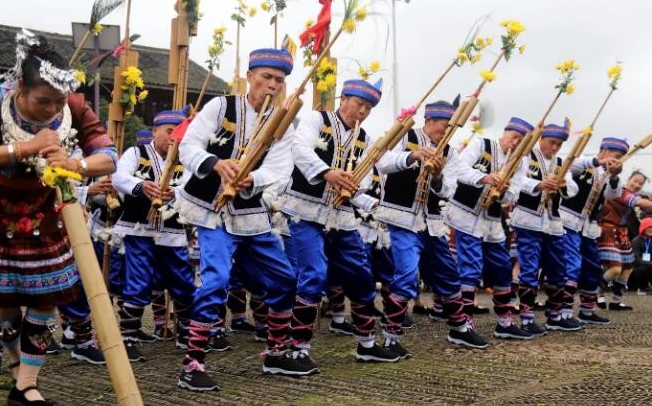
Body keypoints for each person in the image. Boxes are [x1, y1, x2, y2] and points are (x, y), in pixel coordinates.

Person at [0, 29, 116, 404]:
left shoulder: (72, 105)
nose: (53, 110)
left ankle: (27, 384)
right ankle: (14, 368)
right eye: (43, 101)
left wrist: (76, 163)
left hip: (47, 214)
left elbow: (110, 156)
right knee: (3, 301)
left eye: (59, 102)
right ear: (21, 89)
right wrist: (27, 147)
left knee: (47, 297)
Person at [177, 48, 300, 391]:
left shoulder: (283, 123)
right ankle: (192, 363)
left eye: (279, 80)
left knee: (285, 279)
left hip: (250, 214)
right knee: (216, 281)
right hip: (211, 210)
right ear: (250, 77)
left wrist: (253, 180)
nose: (272, 86)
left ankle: (276, 351)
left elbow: (279, 167)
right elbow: (189, 147)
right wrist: (216, 163)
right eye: (267, 78)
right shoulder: (221, 107)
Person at [281, 77, 400, 369]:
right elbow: (300, 150)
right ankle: (297, 349)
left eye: (369, 108)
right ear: (343, 99)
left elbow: (375, 171)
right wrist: (327, 173)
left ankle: (367, 344)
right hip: (304, 212)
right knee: (314, 273)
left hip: (342, 217)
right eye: (359, 104)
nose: (362, 111)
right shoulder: (315, 120)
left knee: (361, 274)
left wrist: (369, 199)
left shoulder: (364, 138)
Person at [375, 100, 486, 352]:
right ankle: (391, 337)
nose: (446, 133)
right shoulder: (406, 134)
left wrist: (436, 177)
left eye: (450, 128)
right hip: (402, 219)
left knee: (447, 271)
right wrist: (412, 156)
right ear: (430, 121)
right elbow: (382, 161)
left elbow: (450, 188)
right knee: (406, 273)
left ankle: (460, 328)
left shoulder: (448, 151)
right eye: (444, 127)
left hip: (432, 222)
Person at [112, 109, 197, 361]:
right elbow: (119, 177)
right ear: (155, 132)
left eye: (178, 133)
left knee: (183, 281)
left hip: (171, 231)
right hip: (139, 229)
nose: (173, 138)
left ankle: (185, 333)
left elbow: (191, 185)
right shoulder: (136, 153)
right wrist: (141, 186)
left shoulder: (185, 158)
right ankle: (128, 338)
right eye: (169, 132)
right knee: (138, 280)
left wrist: (176, 192)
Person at [445, 117, 535, 342]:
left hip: (492, 222)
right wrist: (483, 178)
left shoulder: (520, 163)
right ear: (505, 132)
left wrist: (503, 191)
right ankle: (463, 323)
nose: (515, 143)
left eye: (521, 141)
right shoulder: (482, 145)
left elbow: (515, 193)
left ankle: (504, 322)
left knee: (503, 268)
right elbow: (458, 169)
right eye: (514, 137)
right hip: (465, 216)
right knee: (471, 269)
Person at [512, 121, 581, 334]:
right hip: (527, 221)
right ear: (541, 139)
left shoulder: (561, 162)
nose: (555, 148)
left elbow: (573, 188)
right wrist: (538, 184)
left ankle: (555, 315)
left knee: (559, 270)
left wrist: (563, 185)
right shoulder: (526, 156)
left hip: (552, 224)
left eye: (559, 144)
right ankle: (526, 317)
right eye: (552, 142)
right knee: (530, 269)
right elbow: (516, 179)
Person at [559, 137, 625, 325]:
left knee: (593, 266)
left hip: (588, 227)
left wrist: (613, 176)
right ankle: (564, 312)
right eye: (616, 155)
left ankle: (587, 311)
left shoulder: (607, 173)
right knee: (572, 265)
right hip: (568, 222)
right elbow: (568, 166)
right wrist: (598, 162)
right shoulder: (585, 162)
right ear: (603, 150)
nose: (617, 159)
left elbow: (613, 194)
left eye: (621, 157)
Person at [598, 170, 652, 311]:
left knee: (628, 267)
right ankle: (596, 292)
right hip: (609, 230)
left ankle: (616, 301)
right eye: (635, 181)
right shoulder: (620, 191)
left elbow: (643, 202)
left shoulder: (635, 195)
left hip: (622, 232)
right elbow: (638, 202)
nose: (637, 185)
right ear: (629, 179)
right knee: (615, 269)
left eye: (640, 183)